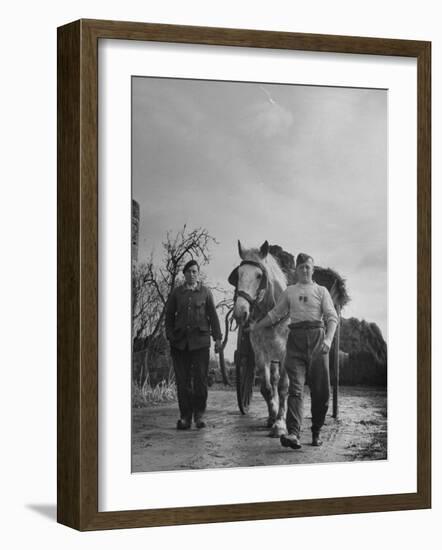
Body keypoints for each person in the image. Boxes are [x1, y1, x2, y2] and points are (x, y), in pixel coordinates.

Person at [249, 253, 338, 448]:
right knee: (295, 389)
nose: (304, 270)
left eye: (308, 267)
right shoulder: (289, 292)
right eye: (301, 267)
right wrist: (257, 326)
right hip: (295, 341)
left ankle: (316, 431)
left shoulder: (321, 291)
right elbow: (275, 314)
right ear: (296, 271)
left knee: (321, 392)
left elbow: (332, 318)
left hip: (317, 340)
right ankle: (293, 433)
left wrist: (329, 340)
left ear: (312, 269)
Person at [165, 260, 222, 430]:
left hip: (200, 343)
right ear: (184, 274)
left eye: (195, 271)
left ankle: (199, 415)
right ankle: (185, 417)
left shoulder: (205, 292)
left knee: (200, 380)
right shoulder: (177, 293)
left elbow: (213, 316)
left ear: (198, 274)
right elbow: (168, 316)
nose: (192, 274)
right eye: (189, 271)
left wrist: (218, 338)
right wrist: (170, 335)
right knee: (182, 382)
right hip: (180, 344)